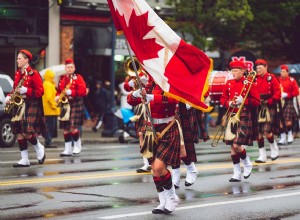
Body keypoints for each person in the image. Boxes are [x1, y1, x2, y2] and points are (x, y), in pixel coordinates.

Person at [127, 81, 180, 214]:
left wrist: (152, 97)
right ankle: (163, 201)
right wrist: (135, 93)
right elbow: (131, 101)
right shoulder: (149, 85)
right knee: (155, 170)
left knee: (159, 167)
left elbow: (175, 99)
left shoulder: (170, 83)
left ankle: (172, 197)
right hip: (150, 129)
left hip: (167, 128)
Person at [220, 61, 260, 182]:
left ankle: (247, 163)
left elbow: (257, 101)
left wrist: (244, 101)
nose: (233, 73)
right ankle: (236, 173)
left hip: (244, 114)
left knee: (237, 145)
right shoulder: (229, 83)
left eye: (236, 70)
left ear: (243, 71)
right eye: (232, 70)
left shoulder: (249, 82)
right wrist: (229, 103)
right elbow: (223, 99)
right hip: (232, 115)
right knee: (232, 148)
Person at [5, 49, 46, 167]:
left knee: (27, 132)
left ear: (26, 60)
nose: (17, 60)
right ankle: (24, 159)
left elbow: (40, 91)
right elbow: (15, 89)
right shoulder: (18, 73)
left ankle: (39, 147)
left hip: (30, 104)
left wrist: (26, 90)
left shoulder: (34, 74)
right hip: (19, 104)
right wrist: (9, 96)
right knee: (18, 131)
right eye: (17, 58)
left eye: (19, 58)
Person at [171, 102, 208, 188]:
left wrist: (191, 101)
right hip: (170, 113)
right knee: (173, 148)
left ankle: (191, 170)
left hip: (185, 116)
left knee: (181, 147)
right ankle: (175, 179)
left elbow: (201, 92)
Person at [56, 58, 86, 156]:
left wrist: (71, 92)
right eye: (68, 67)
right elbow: (59, 90)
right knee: (66, 128)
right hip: (65, 104)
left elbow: (83, 91)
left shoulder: (78, 78)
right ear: (65, 68)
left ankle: (77, 146)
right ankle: (67, 149)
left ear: (74, 68)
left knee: (73, 127)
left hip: (76, 103)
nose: (69, 69)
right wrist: (57, 96)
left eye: (71, 67)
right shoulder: (62, 79)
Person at [124, 70, 152, 173]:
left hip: (150, 103)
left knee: (151, 134)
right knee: (141, 134)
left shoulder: (149, 70)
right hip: (139, 106)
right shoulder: (133, 73)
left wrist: (145, 81)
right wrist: (130, 83)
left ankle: (154, 160)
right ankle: (146, 162)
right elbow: (126, 87)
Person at [254, 59, 281, 163]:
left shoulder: (272, 78)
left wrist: (269, 100)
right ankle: (262, 155)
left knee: (267, 131)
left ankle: (274, 148)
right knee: (258, 133)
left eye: (260, 68)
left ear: (266, 67)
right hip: (258, 107)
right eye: (257, 68)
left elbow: (278, 93)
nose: (258, 70)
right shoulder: (254, 79)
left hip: (269, 106)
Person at [277, 65, 299, 145]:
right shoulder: (278, 80)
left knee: (288, 121)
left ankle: (290, 135)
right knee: (280, 121)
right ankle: (283, 138)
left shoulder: (291, 80)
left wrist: (287, 95)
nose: (282, 73)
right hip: (279, 102)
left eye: (284, 71)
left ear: (287, 72)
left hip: (288, 101)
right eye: (281, 71)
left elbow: (296, 92)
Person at [42, 69, 60, 148]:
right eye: (52, 76)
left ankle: (48, 141)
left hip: (50, 110)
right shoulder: (47, 85)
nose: (53, 78)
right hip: (49, 110)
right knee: (50, 127)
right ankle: (48, 142)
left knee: (50, 127)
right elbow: (49, 98)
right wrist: (54, 105)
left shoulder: (48, 84)